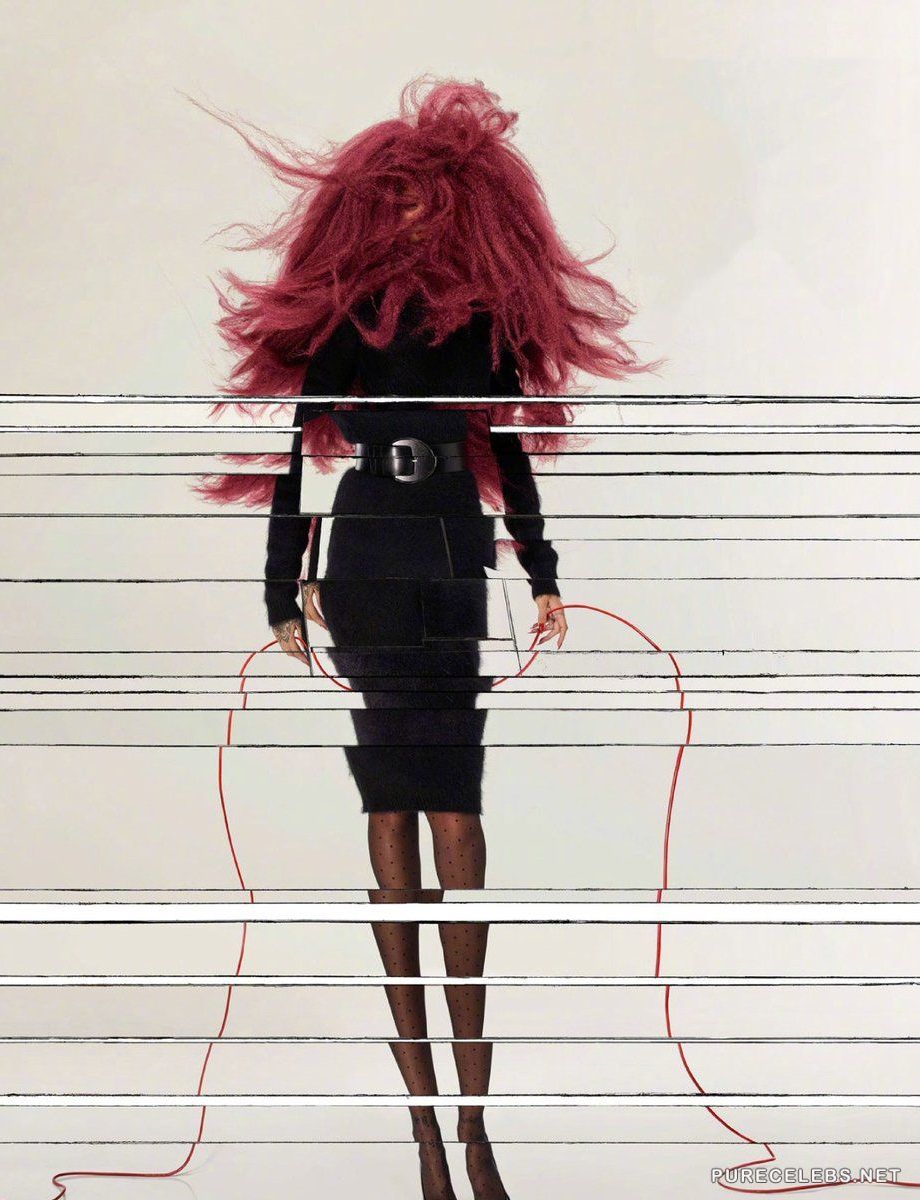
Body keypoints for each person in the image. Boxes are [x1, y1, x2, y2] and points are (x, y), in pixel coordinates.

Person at [195, 74, 652, 1200]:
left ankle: (475, 1129)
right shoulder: (351, 316)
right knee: (387, 802)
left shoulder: (488, 324)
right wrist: (279, 588)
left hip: (453, 554)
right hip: (364, 557)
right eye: (393, 200)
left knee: (456, 803)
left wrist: (542, 575)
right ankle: (427, 1142)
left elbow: (513, 456)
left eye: (428, 201)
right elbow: (299, 449)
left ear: (469, 208)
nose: (410, 217)